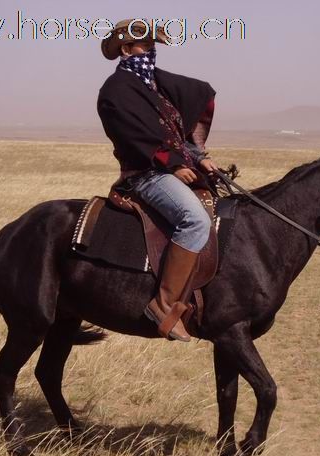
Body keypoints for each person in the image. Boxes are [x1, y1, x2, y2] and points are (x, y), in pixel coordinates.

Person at [97, 19, 218, 342]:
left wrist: (199, 156)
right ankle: (164, 305)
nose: (152, 52)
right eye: (146, 47)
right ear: (126, 49)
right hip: (145, 176)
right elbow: (135, 137)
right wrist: (174, 165)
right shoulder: (116, 92)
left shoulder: (157, 87)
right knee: (193, 220)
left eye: (153, 47)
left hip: (170, 169)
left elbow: (176, 133)